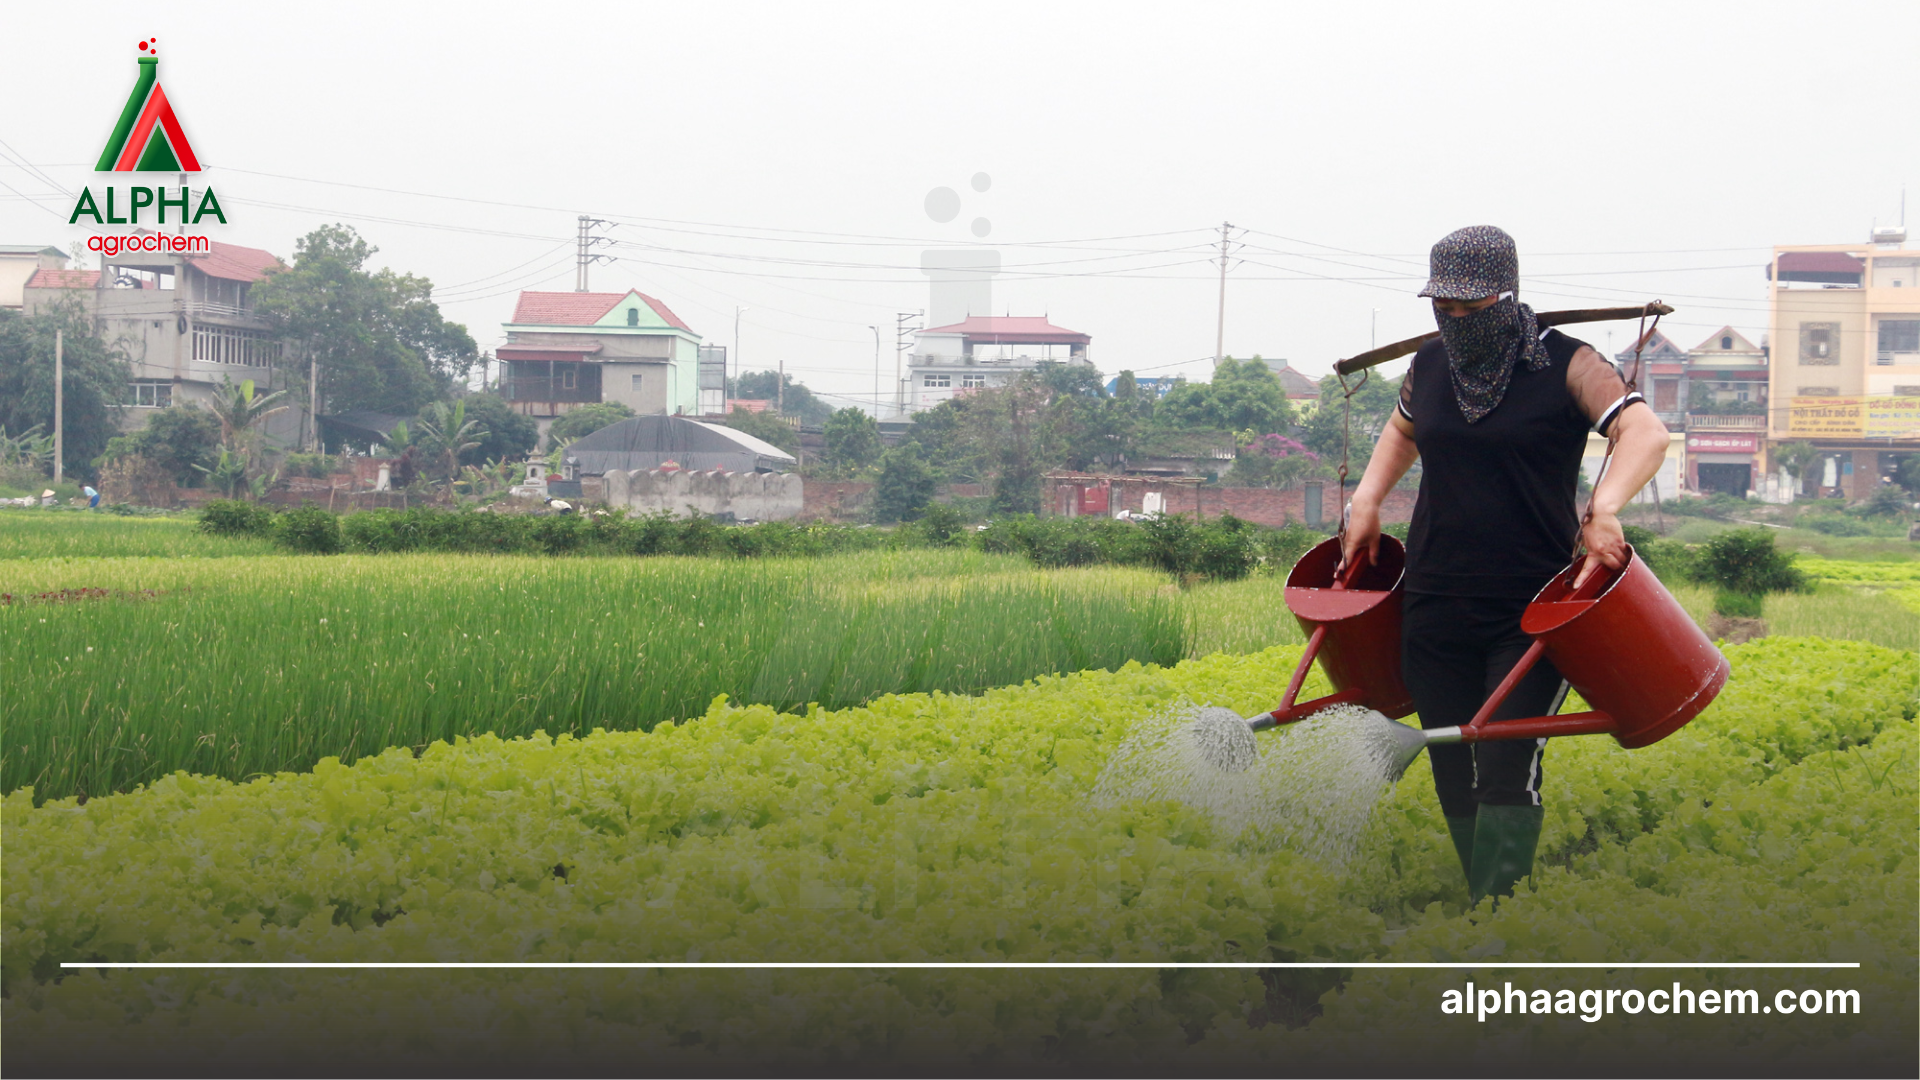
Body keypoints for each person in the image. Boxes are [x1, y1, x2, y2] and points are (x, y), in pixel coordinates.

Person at [1340, 225, 1670, 903]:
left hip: (1533, 610)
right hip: (1434, 601)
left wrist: (1605, 507)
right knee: (1451, 764)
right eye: (1445, 307)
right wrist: (1367, 499)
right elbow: (1403, 429)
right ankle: (1481, 901)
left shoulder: (1568, 363)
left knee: (1504, 760)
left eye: (1471, 307)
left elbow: (1645, 432)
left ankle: (1500, 915)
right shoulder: (1430, 365)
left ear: (1506, 295)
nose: (1456, 319)